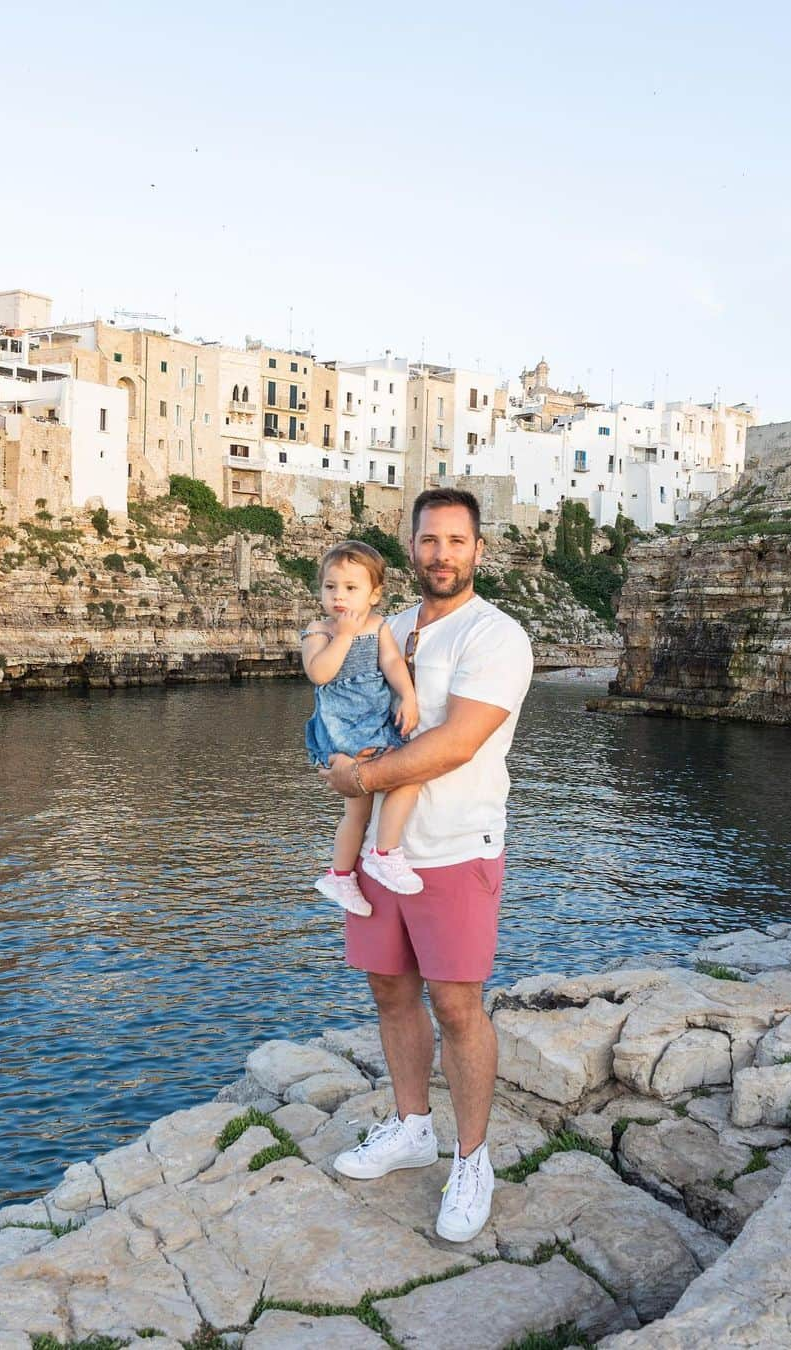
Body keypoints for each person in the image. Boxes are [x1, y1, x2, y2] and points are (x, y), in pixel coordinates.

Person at [319, 488, 533, 1243]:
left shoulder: (496, 636)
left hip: (455, 849)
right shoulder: (388, 625)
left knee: (457, 1007)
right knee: (389, 989)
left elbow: (458, 742)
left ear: (479, 550)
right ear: (409, 548)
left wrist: (362, 780)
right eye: (429, 540)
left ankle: (472, 1158)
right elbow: (346, 704)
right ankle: (412, 1127)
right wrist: (337, 756)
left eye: (456, 540)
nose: (441, 554)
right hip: (383, 850)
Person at [302, 541, 422, 917]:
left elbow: (391, 662)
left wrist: (407, 696)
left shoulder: (379, 626)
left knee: (406, 777)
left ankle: (373, 857)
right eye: (330, 587)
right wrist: (345, 636)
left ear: (374, 594)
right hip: (341, 732)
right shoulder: (319, 630)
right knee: (357, 810)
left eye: (351, 588)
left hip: (373, 725)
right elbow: (319, 673)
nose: (339, 596)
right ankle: (350, 870)